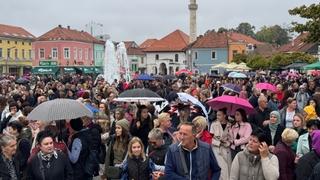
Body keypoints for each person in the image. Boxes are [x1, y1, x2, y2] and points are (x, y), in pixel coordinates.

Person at [210, 108, 232, 180]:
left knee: (228, 169)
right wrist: (219, 143)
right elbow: (210, 138)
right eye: (217, 115)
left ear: (224, 115)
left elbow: (232, 138)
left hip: (227, 150)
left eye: (219, 115)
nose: (217, 117)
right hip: (217, 150)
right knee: (221, 170)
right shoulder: (213, 125)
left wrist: (227, 143)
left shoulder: (230, 125)